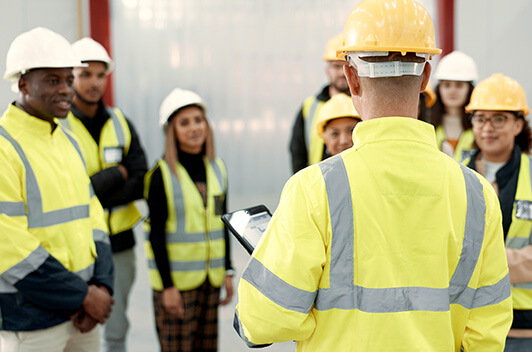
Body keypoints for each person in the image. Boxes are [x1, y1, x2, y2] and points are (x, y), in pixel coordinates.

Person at [234, 1, 512, 351]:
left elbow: (262, 321)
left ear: (351, 77)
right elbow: (487, 333)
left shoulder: (313, 189)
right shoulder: (478, 195)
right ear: (426, 78)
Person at [0, 27, 114, 351]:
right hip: (32, 322)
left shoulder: (68, 141)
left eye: (67, 80)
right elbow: (8, 246)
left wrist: (102, 286)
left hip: (82, 317)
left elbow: (93, 216)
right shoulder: (4, 146)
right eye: (53, 80)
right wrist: (83, 295)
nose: (66, 90)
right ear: (22, 84)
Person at [64, 37, 147, 352]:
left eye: (100, 75)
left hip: (121, 242)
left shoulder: (121, 122)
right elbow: (68, 191)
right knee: (75, 325)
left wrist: (95, 190)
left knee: (116, 325)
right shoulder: (60, 126)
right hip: (78, 242)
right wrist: (117, 172)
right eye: (85, 74)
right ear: (70, 76)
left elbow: (140, 178)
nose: (94, 82)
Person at [144, 88, 234, 352]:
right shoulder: (161, 175)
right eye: (184, 123)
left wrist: (228, 271)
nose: (194, 127)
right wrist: (168, 287)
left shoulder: (217, 169)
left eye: (199, 120)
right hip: (177, 286)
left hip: (210, 280)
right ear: (171, 131)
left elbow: (223, 223)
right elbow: (156, 236)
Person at [462, 73, 532, 351]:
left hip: (522, 329)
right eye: (480, 118)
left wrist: (485, 264)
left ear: (518, 124)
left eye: (498, 119)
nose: (487, 128)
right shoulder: (452, 172)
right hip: (464, 321)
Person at [289, 32, 350, 173]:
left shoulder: (365, 106)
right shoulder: (309, 107)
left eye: (346, 65)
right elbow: (297, 150)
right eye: (336, 66)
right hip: (317, 184)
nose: (342, 72)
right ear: (327, 70)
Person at [427, 50, 478, 160]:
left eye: (459, 86)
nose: (452, 91)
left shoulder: (480, 126)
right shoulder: (427, 125)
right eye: (447, 85)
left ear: (469, 89)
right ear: (439, 88)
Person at [315, 93, 361, 157]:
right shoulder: (320, 167)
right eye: (335, 134)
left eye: (351, 131)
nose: (343, 141)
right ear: (325, 138)